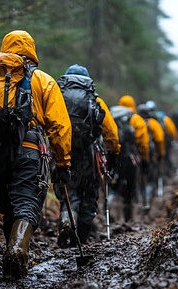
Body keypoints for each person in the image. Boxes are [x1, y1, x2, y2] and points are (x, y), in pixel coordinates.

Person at [0, 30, 72, 279]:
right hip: (30, 150)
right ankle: (17, 251)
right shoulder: (43, 80)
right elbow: (59, 126)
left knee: (8, 206)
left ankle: (12, 254)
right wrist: (62, 163)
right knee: (26, 203)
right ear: (31, 50)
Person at [54, 64, 120, 246]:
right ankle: (80, 238)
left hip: (63, 150)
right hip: (89, 154)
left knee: (69, 190)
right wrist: (113, 153)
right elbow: (111, 132)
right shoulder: (95, 100)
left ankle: (67, 219)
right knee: (89, 194)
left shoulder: (58, 98)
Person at [115, 95, 150, 220]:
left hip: (115, 157)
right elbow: (143, 141)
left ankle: (111, 210)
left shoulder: (113, 117)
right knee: (130, 184)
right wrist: (144, 157)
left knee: (115, 182)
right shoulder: (136, 119)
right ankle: (128, 211)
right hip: (131, 158)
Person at [136, 103, 166, 200]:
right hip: (150, 155)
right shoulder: (153, 123)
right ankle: (148, 196)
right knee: (150, 174)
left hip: (136, 155)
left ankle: (139, 195)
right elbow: (160, 139)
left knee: (140, 174)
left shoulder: (135, 122)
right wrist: (161, 153)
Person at [146, 100, 178, 176]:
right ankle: (167, 172)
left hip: (151, 144)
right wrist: (174, 138)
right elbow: (172, 130)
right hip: (165, 142)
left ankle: (156, 175)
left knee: (153, 160)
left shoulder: (146, 121)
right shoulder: (163, 117)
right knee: (166, 157)